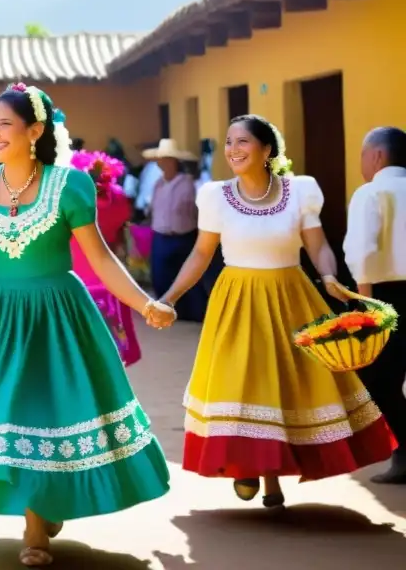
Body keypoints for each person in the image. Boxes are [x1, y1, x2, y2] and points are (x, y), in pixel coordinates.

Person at [0, 82, 174, 567]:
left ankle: (39, 522)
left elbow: (100, 259)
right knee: (12, 415)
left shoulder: (68, 185)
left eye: (4, 124)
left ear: (35, 131)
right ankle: (36, 520)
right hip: (3, 318)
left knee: (53, 412)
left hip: (60, 317)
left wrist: (144, 303)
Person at [160, 114, 394, 508]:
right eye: (229, 142)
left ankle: (271, 480)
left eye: (243, 142)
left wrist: (329, 274)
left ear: (266, 150)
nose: (233, 150)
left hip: (291, 296)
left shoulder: (299, 191)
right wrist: (169, 297)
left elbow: (317, 245)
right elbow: (201, 255)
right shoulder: (215, 196)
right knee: (244, 383)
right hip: (237, 301)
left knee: (288, 386)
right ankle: (250, 467)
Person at [344, 126, 406, 484]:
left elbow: (362, 253)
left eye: (363, 156)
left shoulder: (371, 193)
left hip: (386, 296)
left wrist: (365, 308)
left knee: (378, 380)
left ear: (377, 156)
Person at [69, 149, 142, 367]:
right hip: (110, 283)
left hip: (77, 285)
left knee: (78, 359)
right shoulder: (117, 198)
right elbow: (119, 235)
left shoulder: (73, 201)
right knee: (110, 356)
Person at [144, 138, 208, 323]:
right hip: (161, 236)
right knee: (161, 277)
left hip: (184, 236)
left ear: (174, 161)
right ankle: (169, 312)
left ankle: (195, 314)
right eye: (160, 160)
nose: (162, 163)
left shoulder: (188, 183)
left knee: (189, 279)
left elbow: (196, 209)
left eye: (166, 159)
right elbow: (154, 208)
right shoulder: (158, 184)